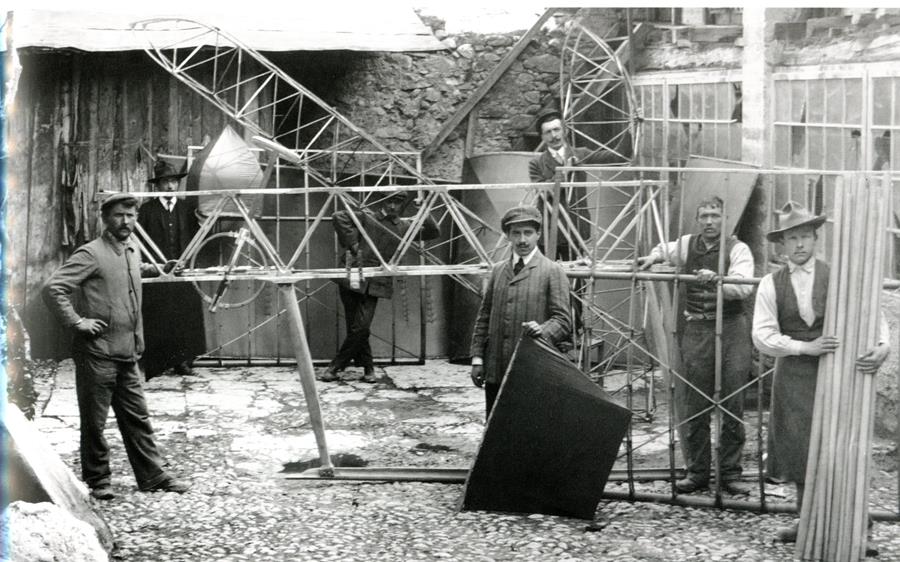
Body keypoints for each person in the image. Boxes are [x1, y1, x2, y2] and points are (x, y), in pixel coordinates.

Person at [752, 201, 890, 544]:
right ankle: (808, 522)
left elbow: (872, 314)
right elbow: (762, 335)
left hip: (839, 372)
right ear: (781, 245)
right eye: (791, 238)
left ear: (816, 239)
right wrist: (804, 347)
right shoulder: (771, 284)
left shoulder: (839, 277)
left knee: (843, 445)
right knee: (800, 446)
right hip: (795, 375)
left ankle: (857, 526)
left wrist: (882, 346)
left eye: (805, 236)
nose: (799, 244)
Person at [43, 192, 190, 500]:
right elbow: (54, 288)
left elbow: (129, 271)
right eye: (119, 216)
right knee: (95, 422)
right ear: (105, 219)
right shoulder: (91, 253)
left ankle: (153, 475)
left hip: (128, 351)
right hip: (97, 353)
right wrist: (77, 322)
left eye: (130, 216)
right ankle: (98, 480)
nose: (125, 222)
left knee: (138, 418)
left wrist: (159, 268)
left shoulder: (131, 249)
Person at [637, 196, 754, 495]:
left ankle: (730, 473)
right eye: (704, 216)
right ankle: (698, 472)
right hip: (697, 328)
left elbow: (743, 286)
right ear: (698, 219)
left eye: (715, 215)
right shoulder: (688, 244)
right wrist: (654, 257)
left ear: (724, 219)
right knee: (695, 402)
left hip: (731, 329)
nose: (709, 221)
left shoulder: (738, 249)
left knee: (733, 402)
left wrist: (718, 281)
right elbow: (664, 249)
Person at [324, 191, 440, 383]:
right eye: (389, 201)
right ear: (382, 202)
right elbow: (338, 216)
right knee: (357, 327)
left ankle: (336, 366)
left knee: (361, 327)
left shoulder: (404, 226)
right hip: (353, 276)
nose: (393, 206)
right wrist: (353, 244)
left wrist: (424, 209)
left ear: (402, 205)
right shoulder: (366, 217)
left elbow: (433, 232)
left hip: (376, 281)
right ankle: (368, 369)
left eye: (397, 203)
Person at [470, 205, 572, 416]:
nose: (522, 240)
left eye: (528, 233)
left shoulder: (552, 271)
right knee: (496, 426)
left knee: (529, 427)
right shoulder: (498, 270)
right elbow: (484, 318)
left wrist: (542, 330)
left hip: (533, 370)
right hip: (496, 370)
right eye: (516, 233)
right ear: (508, 236)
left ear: (538, 234)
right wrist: (477, 359)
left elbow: (563, 320)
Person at [528, 107, 630, 262]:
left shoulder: (580, 154)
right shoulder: (536, 163)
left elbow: (617, 157)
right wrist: (564, 172)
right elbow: (543, 193)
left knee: (575, 274)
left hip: (575, 229)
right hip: (548, 232)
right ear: (542, 137)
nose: (554, 136)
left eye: (556, 130)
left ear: (565, 130)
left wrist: (630, 132)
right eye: (548, 132)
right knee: (547, 273)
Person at [137, 159, 206, 378]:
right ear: (157, 185)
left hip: (183, 272)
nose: (170, 186)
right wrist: (149, 267)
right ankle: (157, 363)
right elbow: (138, 241)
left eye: (173, 182)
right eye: (165, 182)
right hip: (156, 272)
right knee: (157, 316)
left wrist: (190, 261)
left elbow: (198, 238)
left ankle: (183, 362)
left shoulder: (188, 209)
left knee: (185, 315)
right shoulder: (146, 210)